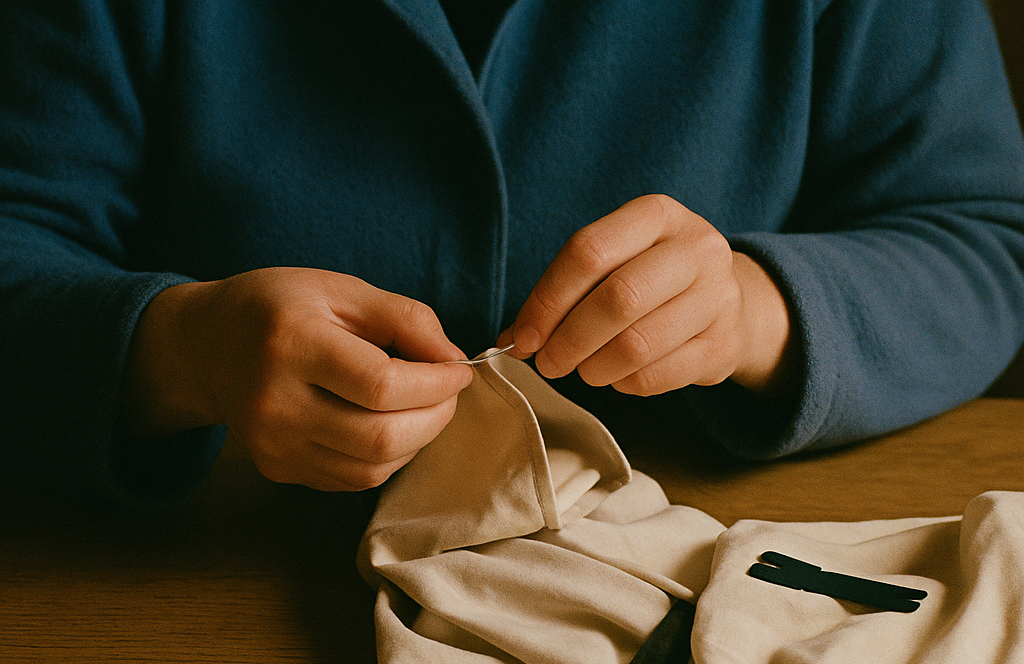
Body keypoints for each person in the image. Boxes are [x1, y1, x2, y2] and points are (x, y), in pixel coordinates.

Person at [1, 0, 1023, 508]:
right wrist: (181, 351)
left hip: (705, 624)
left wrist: (762, 310)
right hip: (191, 602)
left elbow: (983, 240)